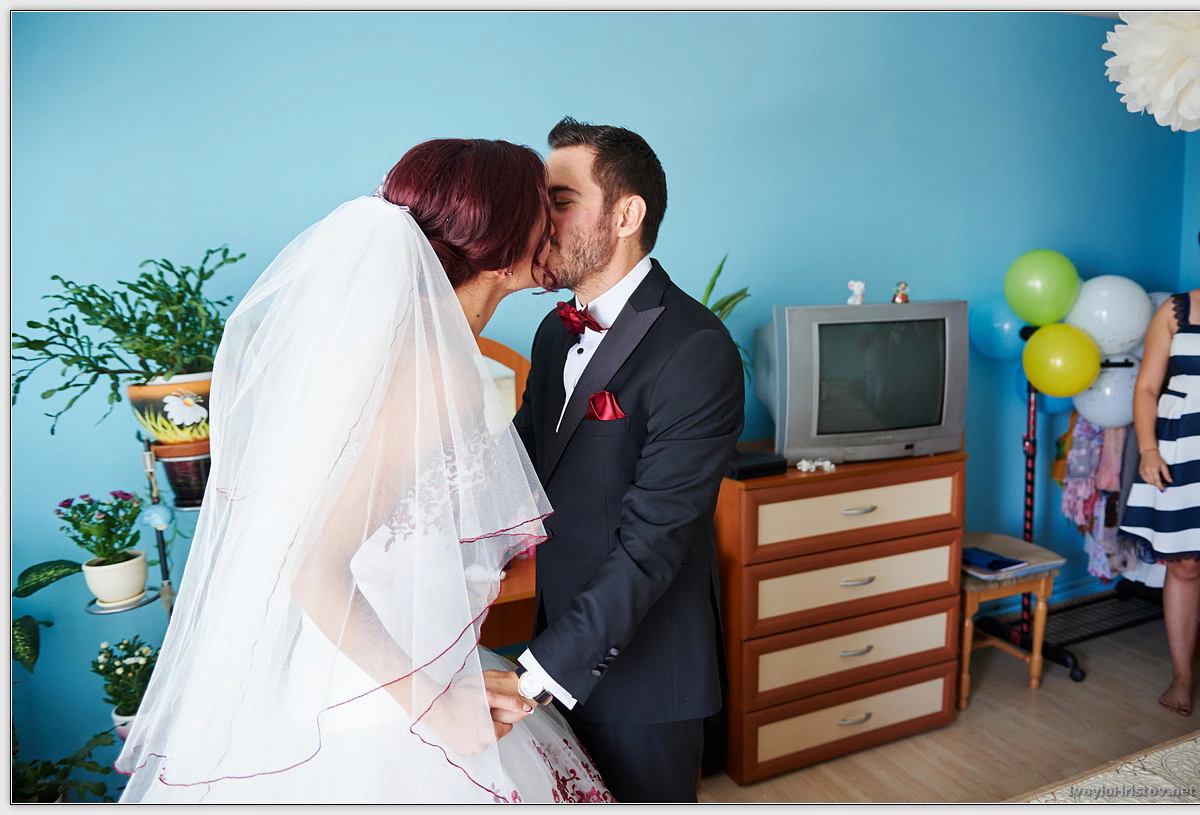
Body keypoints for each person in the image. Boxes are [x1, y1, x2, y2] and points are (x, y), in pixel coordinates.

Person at [115, 139, 614, 803]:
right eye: (541, 208)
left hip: (380, 667)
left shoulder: (408, 347)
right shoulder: (436, 371)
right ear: (500, 242)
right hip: (382, 708)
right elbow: (311, 564)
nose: (556, 224)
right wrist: (433, 704)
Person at [495, 117, 745, 802]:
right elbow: (519, 465)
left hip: (647, 678)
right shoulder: (552, 333)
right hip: (558, 642)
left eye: (561, 200)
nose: (541, 221)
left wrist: (537, 673)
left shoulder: (696, 348)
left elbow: (652, 542)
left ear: (626, 215)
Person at [1120, 288, 1200, 717]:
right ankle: (1183, 676)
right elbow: (1148, 387)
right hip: (1182, 449)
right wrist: (1149, 450)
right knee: (1186, 565)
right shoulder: (1176, 309)